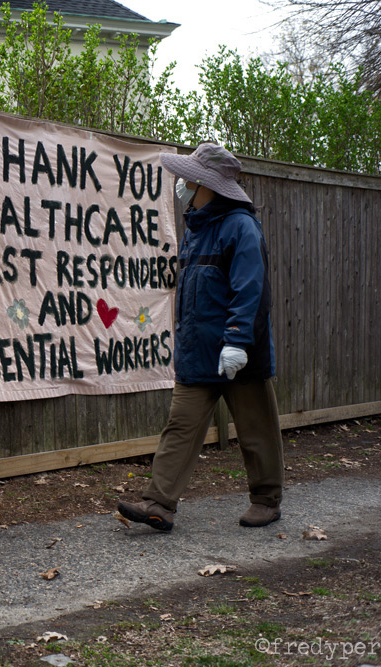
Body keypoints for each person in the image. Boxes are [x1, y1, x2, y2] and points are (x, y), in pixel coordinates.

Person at [118, 142, 284, 532]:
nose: (182, 183)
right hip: (198, 353)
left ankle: (266, 501)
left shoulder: (240, 227)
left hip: (237, 352)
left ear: (207, 184)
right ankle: (159, 504)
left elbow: (252, 290)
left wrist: (238, 341)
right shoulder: (196, 228)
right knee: (180, 426)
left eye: (189, 177)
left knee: (256, 430)